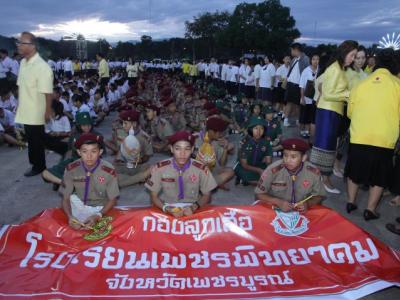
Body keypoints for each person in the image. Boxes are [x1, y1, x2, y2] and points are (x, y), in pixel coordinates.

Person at [345, 49, 400, 220]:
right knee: (379, 176)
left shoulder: (362, 83)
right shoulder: (397, 85)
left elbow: (350, 111)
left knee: (354, 170)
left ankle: (350, 202)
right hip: (384, 138)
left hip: (359, 134)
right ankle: (370, 210)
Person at [309, 40, 358, 194]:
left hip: (333, 111)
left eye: (355, 56)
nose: (353, 59)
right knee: (324, 146)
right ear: (344, 52)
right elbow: (328, 94)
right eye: (352, 55)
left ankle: (319, 178)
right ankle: (322, 179)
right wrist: (348, 94)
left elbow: (320, 82)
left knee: (329, 146)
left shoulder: (340, 68)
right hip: (328, 111)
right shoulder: (335, 68)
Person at [145, 131, 217, 218]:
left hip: (194, 206)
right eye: (178, 148)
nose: (182, 153)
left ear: (192, 149)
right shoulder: (160, 168)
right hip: (168, 206)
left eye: (187, 149)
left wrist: (194, 207)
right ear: (171, 149)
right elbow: (153, 196)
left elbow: (207, 195)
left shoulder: (201, 169)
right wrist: (166, 208)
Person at [15, 31, 54, 177]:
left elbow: (47, 92)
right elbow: (21, 87)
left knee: (37, 140)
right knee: (35, 138)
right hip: (26, 108)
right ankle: (38, 163)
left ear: (32, 46)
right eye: (18, 42)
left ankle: (39, 165)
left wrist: (47, 110)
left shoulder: (41, 67)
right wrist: (19, 104)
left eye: (22, 43)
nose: (18, 45)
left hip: (36, 109)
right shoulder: (23, 63)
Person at [62, 133, 119, 229]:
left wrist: (98, 215)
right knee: (73, 231)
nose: (89, 156)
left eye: (93, 151)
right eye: (84, 151)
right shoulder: (71, 169)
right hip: (79, 204)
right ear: (79, 152)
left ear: (100, 152)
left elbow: (113, 199)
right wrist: (70, 216)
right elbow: (65, 198)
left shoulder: (108, 170)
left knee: (104, 232)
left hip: (101, 208)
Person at [255, 138, 326, 212]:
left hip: (303, 211)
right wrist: (278, 202)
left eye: (293, 157)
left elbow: (319, 195)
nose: (288, 160)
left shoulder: (313, 173)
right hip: (276, 208)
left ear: (303, 158)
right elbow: (258, 194)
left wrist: (308, 204)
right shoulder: (273, 170)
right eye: (285, 155)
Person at [113, 109, 152, 188]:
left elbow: (148, 155)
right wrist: (118, 159)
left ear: (134, 124)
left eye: (125, 123)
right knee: (109, 171)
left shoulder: (144, 137)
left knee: (114, 181)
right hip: (123, 164)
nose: (123, 126)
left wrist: (139, 160)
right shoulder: (122, 133)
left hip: (137, 165)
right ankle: (139, 178)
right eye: (122, 123)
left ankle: (139, 177)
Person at [195, 117, 235, 190]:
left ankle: (215, 184)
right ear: (211, 131)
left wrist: (226, 148)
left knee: (230, 171)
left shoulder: (216, 141)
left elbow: (222, 164)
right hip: (198, 175)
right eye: (220, 133)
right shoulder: (198, 140)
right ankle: (211, 185)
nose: (221, 135)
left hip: (212, 170)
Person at [234, 117, 272, 186]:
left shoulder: (266, 142)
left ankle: (245, 181)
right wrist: (259, 170)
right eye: (256, 128)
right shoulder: (245, 142)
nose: (259, 131)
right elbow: (244, 164)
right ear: (251, 130)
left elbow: (268, 161)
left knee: (270, 175)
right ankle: (246, 180)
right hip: (245, 167)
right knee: (247, 175)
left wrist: (267, 162)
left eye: (261, 128)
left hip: (259, 165)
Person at [283, 43, 310, 127]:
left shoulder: (305, 59)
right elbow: (291, 71)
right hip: (291, 84)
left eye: (292, 50)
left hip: (299, 85)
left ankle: (299, 120)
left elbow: (307, 74)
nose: (291, 52)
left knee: (298, 105)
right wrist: (286, 80)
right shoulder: (294, 59)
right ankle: (286, 120)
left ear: (296, 50)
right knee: (289, 103)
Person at [299, 53, 319, 139]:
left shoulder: (320, 70)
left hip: (315, 99)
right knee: (304, 115)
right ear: (311, 60)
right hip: (306, 98)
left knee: (311, 116)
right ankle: (302, 131)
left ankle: (307, 131)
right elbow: (302, 86)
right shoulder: (306, 71)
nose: (315, 61)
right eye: (314, 59)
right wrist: (302, 98)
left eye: (317, 59)